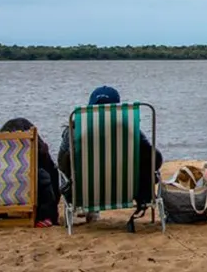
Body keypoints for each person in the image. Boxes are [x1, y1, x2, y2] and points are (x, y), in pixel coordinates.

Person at [57, 86, 163, 222]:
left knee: (70, 167)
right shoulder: (130, 129)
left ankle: (87, 208)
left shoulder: (74, 131)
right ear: (117, 108)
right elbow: (154, 158)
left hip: (85, 193)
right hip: (126, 190)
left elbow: (62, 164)